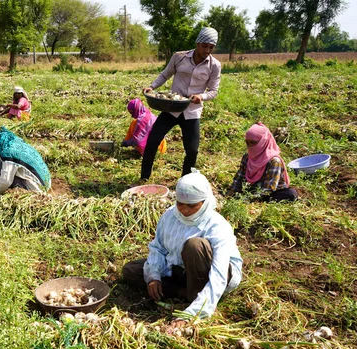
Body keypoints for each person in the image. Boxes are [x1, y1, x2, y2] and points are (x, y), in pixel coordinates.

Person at [122, 172, 242, 331]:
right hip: (179, 269)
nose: (184, 210)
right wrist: (153, 277)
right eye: (180, 203)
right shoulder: (170, 216)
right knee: (131, 270)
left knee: (195, 246)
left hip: (209, 273)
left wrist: (191, 315)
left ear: (204, 202)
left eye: (192, 205)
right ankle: (184, 292)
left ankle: (198, 299)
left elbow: (218, 273)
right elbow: (158, 248)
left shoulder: (217, 226)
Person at [141, 27, 222, 179]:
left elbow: (214, 91)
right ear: (197, 43)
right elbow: (165, 74)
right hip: (172, 107)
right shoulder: (179, 57)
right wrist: (151, 87)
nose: (207, 50)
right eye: (204, 46)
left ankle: (185, 181)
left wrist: (201, 96)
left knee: (192, 150)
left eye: (211, 47)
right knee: (152, 140)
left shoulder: (214, 65)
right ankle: (144, 177)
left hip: (192, 111)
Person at [227, 122, 298, 202]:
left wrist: (247, 199)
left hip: (271, 192)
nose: (250, 146)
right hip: (253, 188)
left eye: (253, 143)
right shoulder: (247, 157)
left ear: (263, 142)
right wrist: (231, 192)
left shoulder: (274, 161)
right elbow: (239, 178)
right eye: (248, 143)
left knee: (290, 194)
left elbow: (268, 189)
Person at [0, 127, 51, 195]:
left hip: (37, 189)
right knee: (0, 163)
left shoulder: (8, 153)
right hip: (47, 182)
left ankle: (7, 191)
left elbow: (6, 181)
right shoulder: (18, 143)